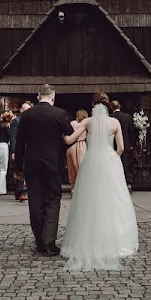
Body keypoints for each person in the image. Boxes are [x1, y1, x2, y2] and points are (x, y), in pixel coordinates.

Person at [61, 94, 138, 270]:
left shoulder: (87, 122)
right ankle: (116, 241)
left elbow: (69, 140)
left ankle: (88, 240)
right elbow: (121, 148)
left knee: (89, 201)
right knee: (114, 200)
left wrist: (60, 133)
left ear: (93, 106)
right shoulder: (115, 123)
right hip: (110, 163)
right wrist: (111, 157)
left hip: (91, 162)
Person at [14, 84, 73, 256]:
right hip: (52, 163)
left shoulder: (27, 115)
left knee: (35, 201)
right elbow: (69, 134)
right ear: (52, 97)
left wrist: (18, 168)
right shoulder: (59, 114)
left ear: (38, 96)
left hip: (31, 163)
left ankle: (40, 242)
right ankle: (49, 242)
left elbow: (19, 144)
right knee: (53, 199)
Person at [110, 99, 135, 188]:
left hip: (113, 144)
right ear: (119, 106)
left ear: (111, 107)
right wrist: (131, 143)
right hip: (125, 143)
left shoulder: (110, 117)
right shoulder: (127, 117)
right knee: (126, 164)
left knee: (114, 164)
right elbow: (130, 131)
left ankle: (115, 183)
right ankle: (128, 183)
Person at [10, 101, 32, 202]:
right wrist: (14, 151)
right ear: (21, 110)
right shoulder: (16, 121)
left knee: (28, 171)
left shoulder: (32, 120)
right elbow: (13, 137)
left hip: (30, 149)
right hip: (20, 149)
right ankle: (20, 192)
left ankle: (24, 192)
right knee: (20, 171)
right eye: (25, 109)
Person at [66, 109, 89, 190]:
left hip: (71, 146)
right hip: (82, 145)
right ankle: (83, 187)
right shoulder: (86, 124)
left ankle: (74, 188)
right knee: (82, 167)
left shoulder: (72, 123)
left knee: (72, 167)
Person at [0, 111, 13, 195]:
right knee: (3, 169)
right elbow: (9, 135)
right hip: (3, 145)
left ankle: (2, 190)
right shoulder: (6, 126)